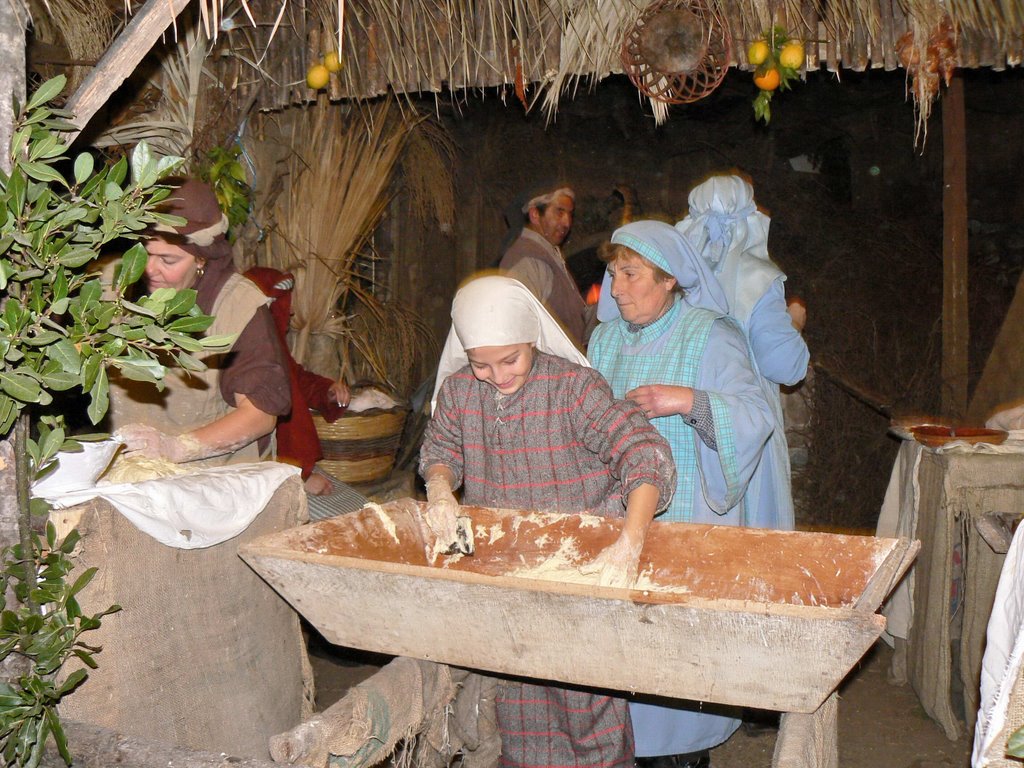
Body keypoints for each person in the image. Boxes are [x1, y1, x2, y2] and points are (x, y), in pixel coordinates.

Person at [419, 275, 677, 768]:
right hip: (507, 573)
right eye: (481, 365)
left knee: (585, 702)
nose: (497, 376)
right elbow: (441, 449)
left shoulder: (574, 390)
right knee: (516, 701)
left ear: (532, 337)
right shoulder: (458, 393)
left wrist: (631, 537)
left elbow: (643, 453)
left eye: (510, 359)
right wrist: (438, 487)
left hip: (580, 571)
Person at [587, 221, 775, 768]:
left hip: (687, 518)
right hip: (617, 517)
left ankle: (684, 753)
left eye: (630, 274)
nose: (616, 288)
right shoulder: (603, 339)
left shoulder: (710, 334)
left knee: (675, 654)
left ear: (669, 279)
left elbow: (755, 413)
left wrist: (690, 400)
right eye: (614, 273)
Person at [110, 178, 291, 465]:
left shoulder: (237, 306)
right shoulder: (113, 285)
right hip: (124, 470)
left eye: (168, 261)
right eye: (145, 253)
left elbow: (261, 414)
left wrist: (175, 449)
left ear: (201, 260)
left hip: (208, 479)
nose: (149, 269)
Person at [674, 173, 810, 531]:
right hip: (741, 432)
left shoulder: (672, 276)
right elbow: (785, 366)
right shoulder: (758, 279)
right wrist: (794, 322)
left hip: (682, 420)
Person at [245, 266, 351, 495]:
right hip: (265, 471)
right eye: (284, 306)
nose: (291, 312)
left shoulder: (272, 346)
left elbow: (296, 378)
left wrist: (327, 390)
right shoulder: (249, 352)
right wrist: (298, 477)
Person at [498, 185, 590, 346]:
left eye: (570, 214)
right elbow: (519, 328)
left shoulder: (548, 254)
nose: (567, 222)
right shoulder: (526, 259)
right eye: (559, 212)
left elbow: (574, 317)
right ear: (535, 214)